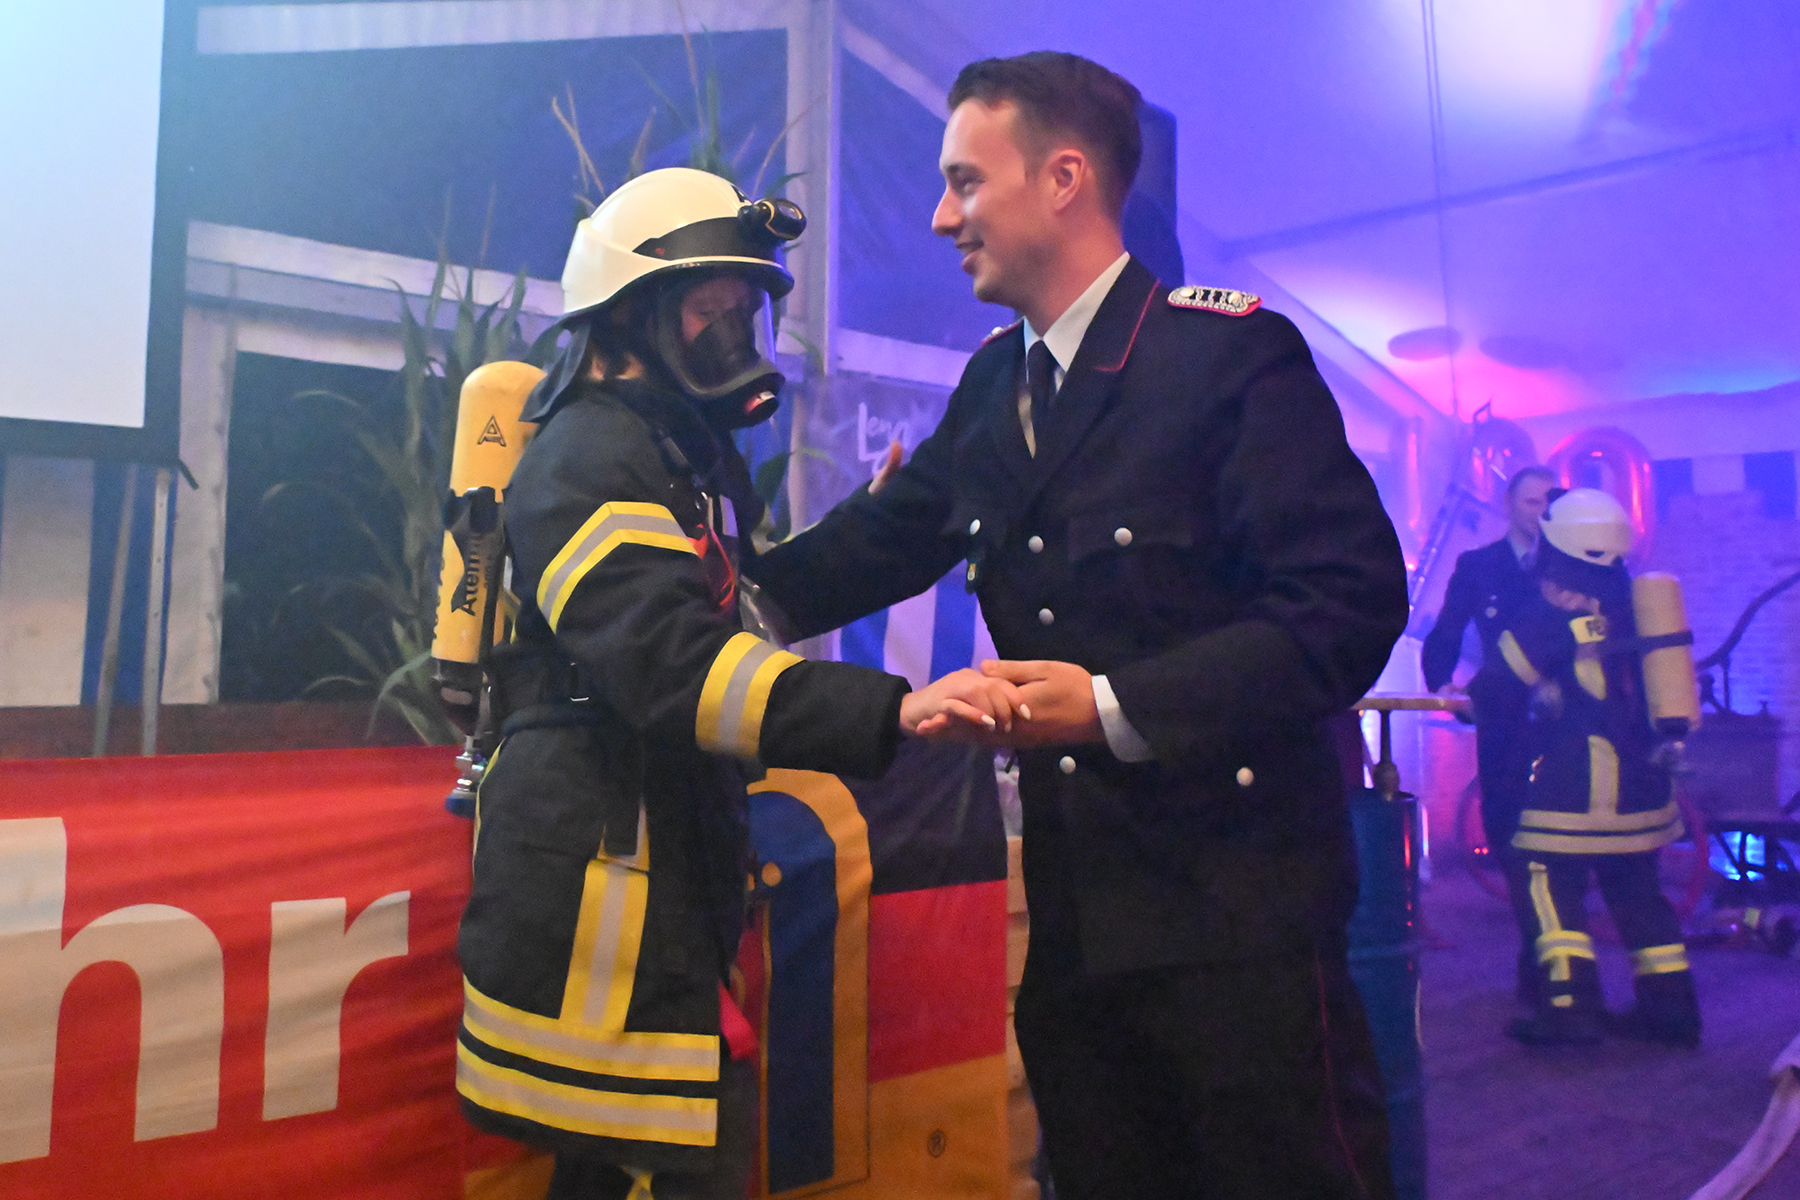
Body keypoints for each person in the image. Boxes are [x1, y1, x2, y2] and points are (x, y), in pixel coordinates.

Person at [745, 52, 1409, 1199]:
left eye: (965, 180)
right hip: (1079, 928)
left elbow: (1346, 604)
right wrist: (699, 597)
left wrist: (1108, 708)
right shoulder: (996, 388)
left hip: (1237, 927)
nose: (941, 215)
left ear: (1063, 179)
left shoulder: (1223, 356)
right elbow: (873, 546)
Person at [452, 167, 1021, 1200]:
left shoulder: (673, 458)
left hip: (654, 910)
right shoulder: (587, 456)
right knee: (652, 1167)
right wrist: (892, 709)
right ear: (627, 316)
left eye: (744, 309)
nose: (734, 335)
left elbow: (747, 603)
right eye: (707, 310)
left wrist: (885, 525)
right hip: (600, 935)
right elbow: (677, 667)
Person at [1495, 487, 1701, 1048]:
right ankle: (1672, 1011)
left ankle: (1570, 1011)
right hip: (1645, 790)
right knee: (1638, 894)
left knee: (1547, 884)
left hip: (1572, 792)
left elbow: (1496, 686)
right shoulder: (1643, 607)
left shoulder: (1547, 616)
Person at [1420, 464, 1556, 1001]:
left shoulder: (1571, 564)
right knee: (1507, 833)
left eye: (1547, 502)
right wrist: (1442, 685)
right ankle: (1541, 957)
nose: (1540, 512)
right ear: (1508, 505)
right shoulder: (1478, 566)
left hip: (1562, 723)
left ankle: (1548, 969)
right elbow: (1446, 631)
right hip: (1502, 720)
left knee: (1558, 844)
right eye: (1530, 502)